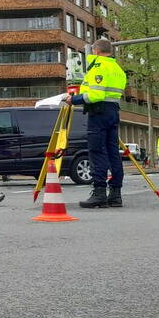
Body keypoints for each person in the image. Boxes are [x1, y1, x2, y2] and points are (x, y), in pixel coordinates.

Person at [64, 38, 127, 208]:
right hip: (113, 111)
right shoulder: (118, 69)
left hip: (98, 112)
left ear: (96, 51)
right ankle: (115, 194)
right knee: (113, 153)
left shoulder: (99, 68)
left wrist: (74, 99)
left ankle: (99, 192)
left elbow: (96, 95)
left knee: (97, 151)